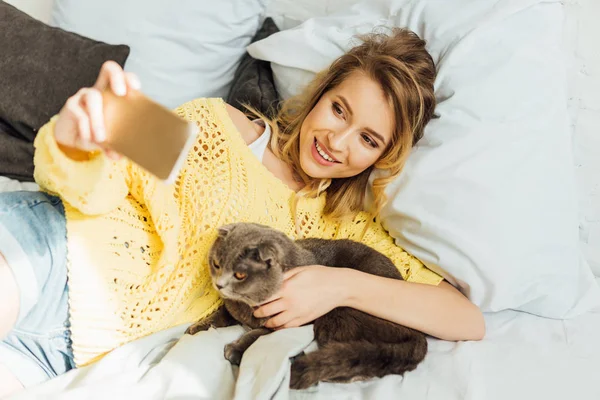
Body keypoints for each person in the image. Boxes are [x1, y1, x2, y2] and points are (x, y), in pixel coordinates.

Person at [0, 28, 485, 396]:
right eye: (339, 110)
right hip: (51, 254)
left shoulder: (349, 230)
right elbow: (103, 173)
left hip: (73, 351)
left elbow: (466, 319)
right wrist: (79, 138)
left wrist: (338, 283)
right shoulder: (221, 128)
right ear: (320, 94)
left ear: (383, 157)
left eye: (368, 138)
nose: (337, 142)